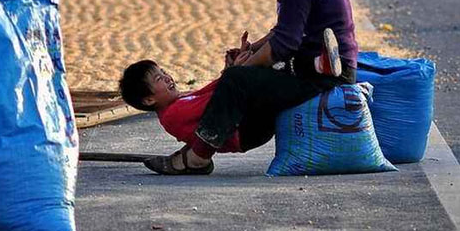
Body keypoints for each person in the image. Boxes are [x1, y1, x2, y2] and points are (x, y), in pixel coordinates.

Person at [129, 0, 359, 175]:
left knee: (237, 79)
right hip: (315, 63)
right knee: (245, 76)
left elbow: (284, 44)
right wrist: (253, 49)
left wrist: (242, 68)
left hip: (323, 75)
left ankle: (198, 156)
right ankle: (314, 65)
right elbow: (282, 31)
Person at [119, 29, 342, 174]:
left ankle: (316, 64)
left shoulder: (182, 99)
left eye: (164, 72)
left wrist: (232, 69)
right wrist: (239, 70)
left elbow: (218, 90)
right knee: (262, 77)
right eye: (159, 79)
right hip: (245, 130)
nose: (168, 77)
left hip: (243, 121)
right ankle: (317, 70)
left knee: (260, 76)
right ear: (149, 100)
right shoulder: (173, 115)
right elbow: (219, 101)